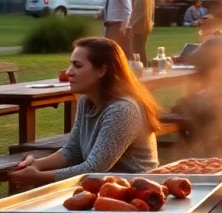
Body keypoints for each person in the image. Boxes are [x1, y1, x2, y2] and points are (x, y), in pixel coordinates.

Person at [9, 37, 159, 185]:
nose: (69, 72)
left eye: (77, 66)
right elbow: (73, 150)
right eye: (71, 65)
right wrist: (37, 164)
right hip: (105, 188)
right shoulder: (86, 101)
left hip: (138, 191)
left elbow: (95, 168)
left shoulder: (122, 109)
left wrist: (40, 177)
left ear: (101, 70)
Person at [170, 34, 222, 156]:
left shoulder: (212, 44)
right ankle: (208, 143)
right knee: (187, 102)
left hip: (214, 109)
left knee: (181, 105)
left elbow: (193, 58)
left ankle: (194, 143)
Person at [126, 0, 154, 66]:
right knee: (140, 50)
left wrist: (129, 26)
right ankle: (145, 67)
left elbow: (138, 14)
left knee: (138, 50)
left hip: (139, 27)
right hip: (143, 26)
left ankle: (143, 69)